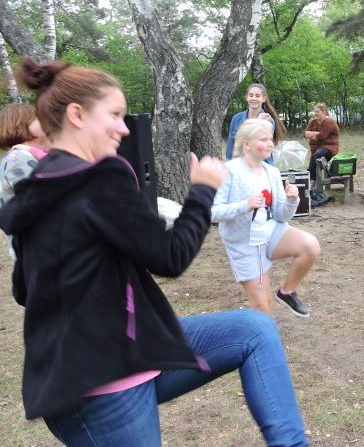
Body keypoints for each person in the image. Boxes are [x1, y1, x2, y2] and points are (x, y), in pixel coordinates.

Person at [0, 57, 308, 445]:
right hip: (106, 383)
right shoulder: (99, 176)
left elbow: (24, 289)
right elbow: (171, 256)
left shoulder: (36, 188)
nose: (123, 128)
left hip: (100, 367)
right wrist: (203, 189)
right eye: (114, 115)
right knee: (255, 330)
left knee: (255, 329)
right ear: (77, 115)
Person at [213, 118, 320, 318]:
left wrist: (292, 200)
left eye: (271, 139)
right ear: (246, 144)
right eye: (263, 139)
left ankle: (287, 292)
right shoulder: (229, 171)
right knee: (263, 307)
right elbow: (213, 212)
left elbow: (281, 215)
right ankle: (260, 335)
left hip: (271, 234)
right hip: (245, 245)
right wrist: (245, 205)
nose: (270, 144)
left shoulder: (272, 172)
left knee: (310, 246)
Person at [0, 103, 49, 261]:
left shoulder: (25, 155)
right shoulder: (19, 158)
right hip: (36, 250)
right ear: (24, 125)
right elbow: (41, 198)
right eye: (38, 119)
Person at [225, 82, 284, 164]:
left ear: (263, 99)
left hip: (261, 164)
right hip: (240, 164)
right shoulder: (236, 118)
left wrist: (258, 122)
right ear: (246, 97)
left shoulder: (268, 120)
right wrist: (229, 163)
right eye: (251, 95)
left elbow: (258, 148)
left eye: (257, 96)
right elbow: (230, 146)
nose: (254, 98)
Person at [304, 102, 339, 207]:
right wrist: (316, 133)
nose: (315, 113)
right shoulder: (313, 122)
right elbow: (305, 134)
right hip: (315, 151)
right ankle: (311, 184)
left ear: (323, 112)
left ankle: (313, 182)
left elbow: (322, 137)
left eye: (317, 112)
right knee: (314, 159)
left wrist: (312, 135)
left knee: (318, 155)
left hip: (329, 148)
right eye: (314, 111)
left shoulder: (329, 121)